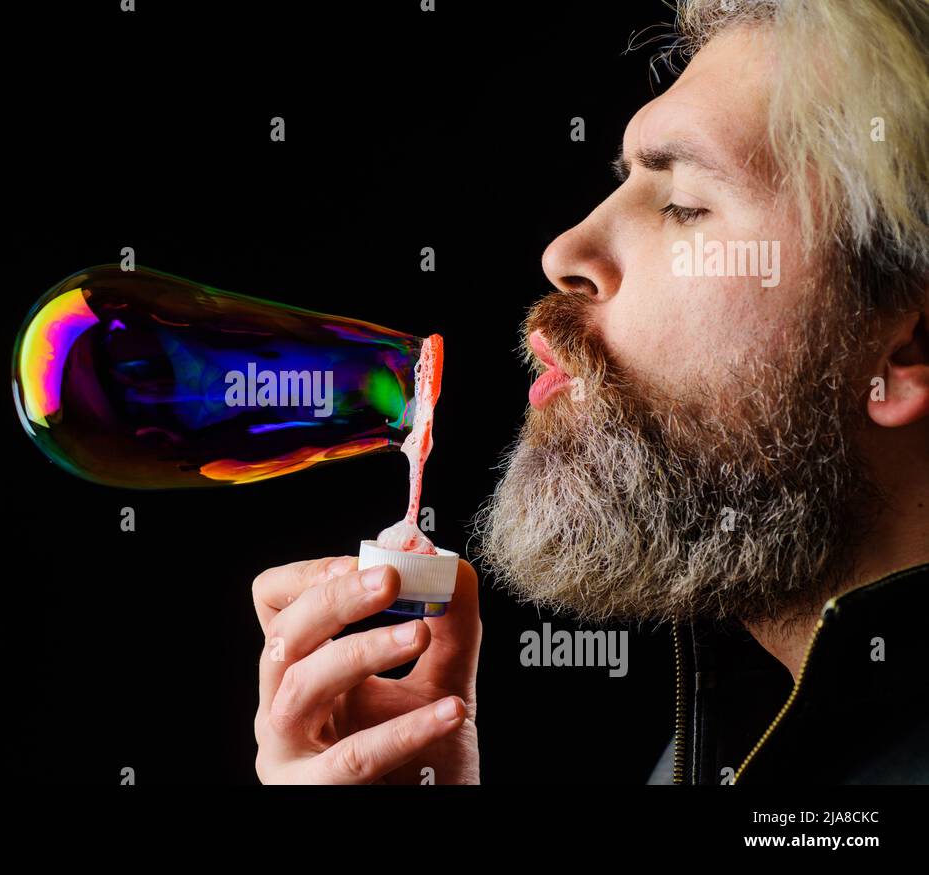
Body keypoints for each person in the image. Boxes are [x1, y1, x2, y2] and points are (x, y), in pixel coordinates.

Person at [252, 0, 929, 784]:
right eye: (625, 182)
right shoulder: (715, 758)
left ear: (906, 346)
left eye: (684, 205)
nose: (563, 251)